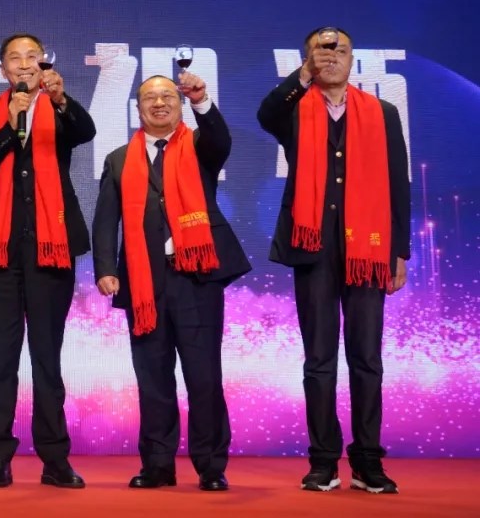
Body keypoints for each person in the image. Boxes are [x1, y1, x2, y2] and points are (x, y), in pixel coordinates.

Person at [257, 27, 409, 494]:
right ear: (307, 58)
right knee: (319, 360)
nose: (332, 57)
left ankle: (368, 461)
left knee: (367, 358)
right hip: (314, 248)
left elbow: (398, 182)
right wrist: (303, 76)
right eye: (322, 51)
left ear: (352, 58)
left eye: (340, 50)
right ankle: (323, 460)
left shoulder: (381, 111)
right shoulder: (294, 108)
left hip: (369, 249)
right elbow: (265, 114)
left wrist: (399, 251)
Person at [91, 73, 250, 492]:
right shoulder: (119, 159)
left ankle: (211, 466)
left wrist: (202, 101)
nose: (159, 103)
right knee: (153, 378)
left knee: (204, 376)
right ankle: (157, 465)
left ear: (179, 106)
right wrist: (105, 268)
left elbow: (220, 140)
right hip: (144, 281)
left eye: (167, 96)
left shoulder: (198, 146)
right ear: (138, 107)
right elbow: (105, 220)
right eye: (150, 97)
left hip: (196, 276)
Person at [0, 33, 95, 489]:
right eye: (14, 59)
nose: (24, 64)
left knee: (46, 359)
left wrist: (60, 99)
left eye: (31, 57)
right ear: (2, 70)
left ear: (43, 64)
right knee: (1, 361)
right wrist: (9, 125)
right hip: (2, 253)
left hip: (50, 249)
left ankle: (55, 459)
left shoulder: (59, 110)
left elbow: (86, 131)